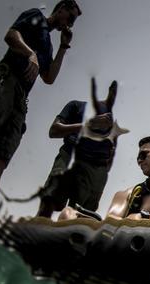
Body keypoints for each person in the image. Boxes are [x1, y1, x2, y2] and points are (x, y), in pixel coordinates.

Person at [0, 0, 82, 211]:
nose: (70, 24)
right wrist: (29, 53)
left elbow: (49, 77)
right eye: (70, 18)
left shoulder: (48, 45)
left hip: (21, 99)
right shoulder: (36, 17)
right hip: (7, 81)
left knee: (0, 159)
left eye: (73, 22)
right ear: (61, 9)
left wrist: (63, 46)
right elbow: (11, 35)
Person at [58, 135, 150, 221]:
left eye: (143, 155)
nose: (139, 161)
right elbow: (111, 222)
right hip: (124, 246)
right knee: (68, 213)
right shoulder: (128, 194)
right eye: (137, 158)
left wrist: (143, 218)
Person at [37, 79, 126, 218]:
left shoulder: (111, 125)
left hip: (94, 170)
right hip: (70, 157)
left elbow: (111, 153)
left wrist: (100, 175)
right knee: (48, 205)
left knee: (79, 216)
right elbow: (53, 131)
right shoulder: (76, 106)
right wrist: (88, 125)